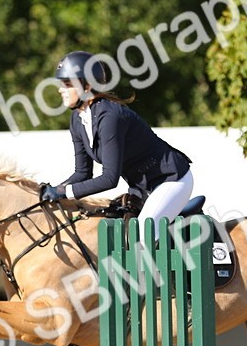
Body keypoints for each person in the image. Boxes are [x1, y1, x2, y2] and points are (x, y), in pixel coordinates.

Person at [40, 51, 195, 231]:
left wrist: (64, 192)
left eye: (67, 84)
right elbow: (82, 173)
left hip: (171, 180)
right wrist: (55, 190)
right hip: (141, 188)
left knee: (144, 233)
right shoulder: (77, 119)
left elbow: (109, 179)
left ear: (87, 86)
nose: (61, 89)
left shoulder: (110, 117)